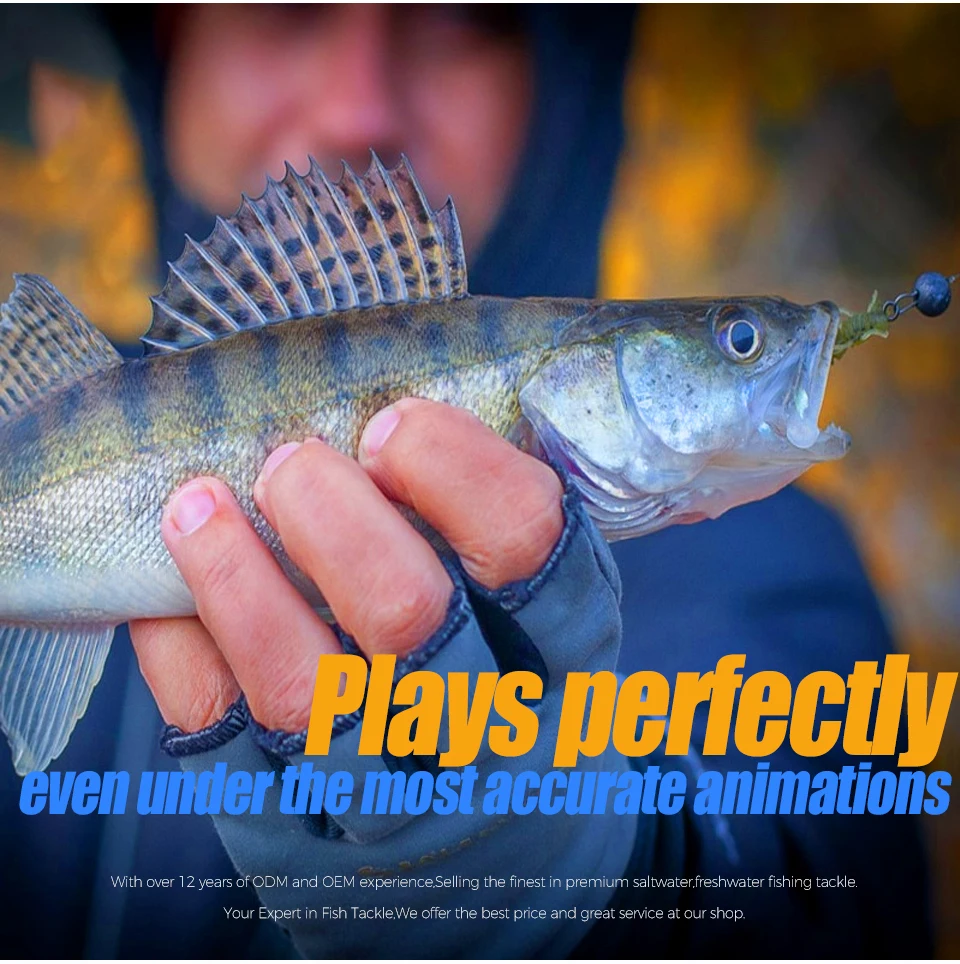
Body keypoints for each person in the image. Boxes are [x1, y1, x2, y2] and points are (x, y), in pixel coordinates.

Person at [0, 5, 933, 959]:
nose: (357, 108)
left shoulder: (774, 572)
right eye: (285, 6)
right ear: (171, 42)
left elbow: (830, 887)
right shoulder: (48, 423)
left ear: (564, 84)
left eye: (463, 18)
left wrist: (640, 884)